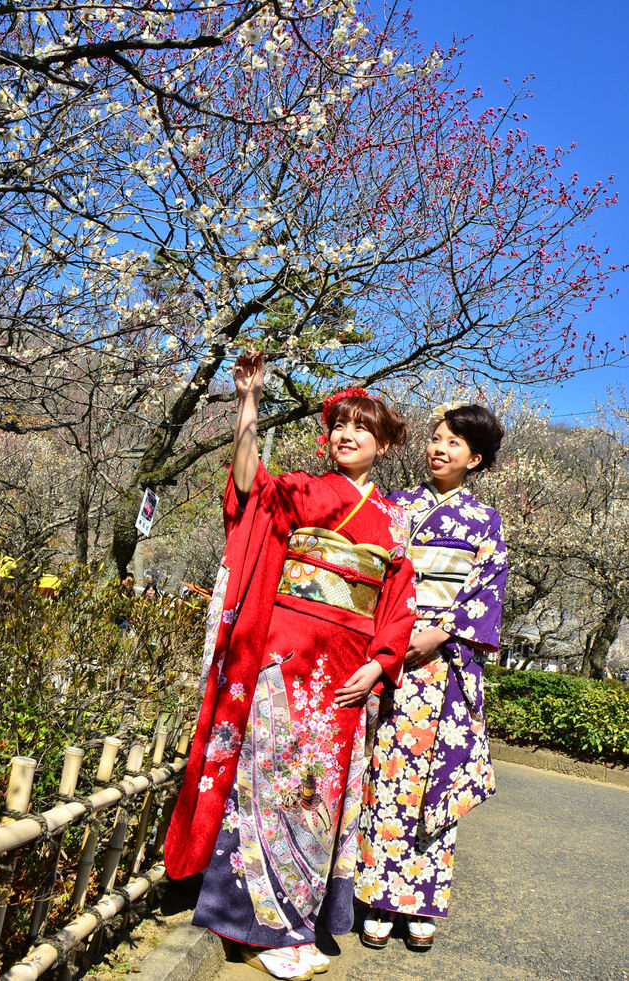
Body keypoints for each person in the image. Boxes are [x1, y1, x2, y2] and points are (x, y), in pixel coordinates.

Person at [164, 354, 416, 981]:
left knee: (321, 795)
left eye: (364, 428)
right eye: (339, 426)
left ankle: (297, 920)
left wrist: (382, 665)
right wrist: (248, 401)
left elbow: (399, 605)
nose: (347, 436)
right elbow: (249, 487)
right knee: (269, 783)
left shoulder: (395, 522)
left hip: (347, 667)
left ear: (383, 446)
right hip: (286, 654)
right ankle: (253, 924)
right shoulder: (306, 488)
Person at [354, 402, 507, 952]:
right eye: (436, 438)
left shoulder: (485, 523)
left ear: (475, 459)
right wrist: (396, 634)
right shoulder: (398, 508)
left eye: (454, 444)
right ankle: (375, 895)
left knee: (436, 783)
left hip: (445, 663)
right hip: (390, 656)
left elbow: (485, 594)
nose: (439, 449)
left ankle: (420, 903)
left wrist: (441, 633)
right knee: (385, 775)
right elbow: (376, 573)